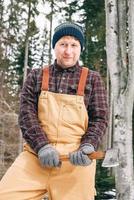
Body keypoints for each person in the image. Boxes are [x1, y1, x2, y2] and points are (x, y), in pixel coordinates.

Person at [0, 22, 108, 200]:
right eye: (63, 44)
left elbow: (100, 118)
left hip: (76, 162)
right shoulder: (36, 76)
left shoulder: (92, 79)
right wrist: (42, 146)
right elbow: (27, 114)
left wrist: (88, 146)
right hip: (35, 158)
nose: (68, 51)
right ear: (54, 46)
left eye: (74, 45)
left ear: (80, 48)